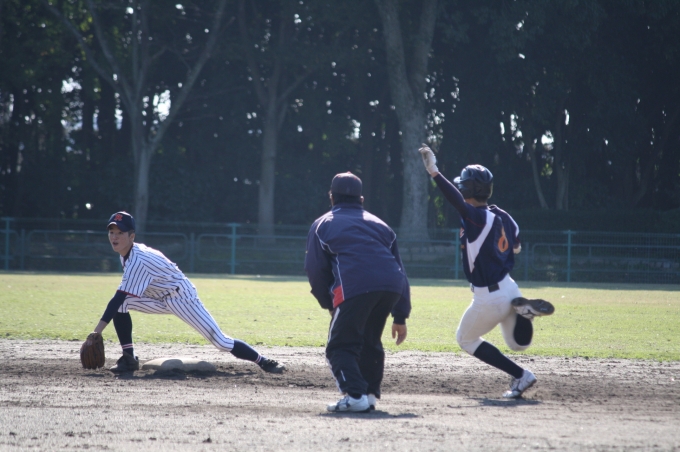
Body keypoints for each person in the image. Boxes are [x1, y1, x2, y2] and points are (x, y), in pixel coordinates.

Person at [418, 145, 555, 398]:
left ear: (468, 189)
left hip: (488, 296)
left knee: (465, 339)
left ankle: (521, 375)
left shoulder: (477, 217)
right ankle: (524, 313)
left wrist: (434, 172)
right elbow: (516, 247)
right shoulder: (502, 215)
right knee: (518, 344)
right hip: (509, 287)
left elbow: (457, 202)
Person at [84, 211, 285, 374]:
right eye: (112, 232)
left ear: (132, 236)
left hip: (181, 297)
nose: (115, 237)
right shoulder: (127, 253)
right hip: (159, 296)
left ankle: (264, 361)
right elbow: (122, 299)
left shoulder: (138, 259)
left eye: (120, 232)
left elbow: (118, 296)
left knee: (221, 341)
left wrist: (96, 331)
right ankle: (129, 359)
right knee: (123, 304)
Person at [304, 172, 411, 412]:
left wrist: (329, 304)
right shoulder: (381, 225)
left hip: (355, 287)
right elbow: (400, 270)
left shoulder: (323, 224)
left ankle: (354, 396)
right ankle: (369, 395)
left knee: (338, 347)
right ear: (361, 199)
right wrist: (400, 315)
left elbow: (315, 271)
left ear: (331, 197)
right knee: (370, 341)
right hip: (392, 286)